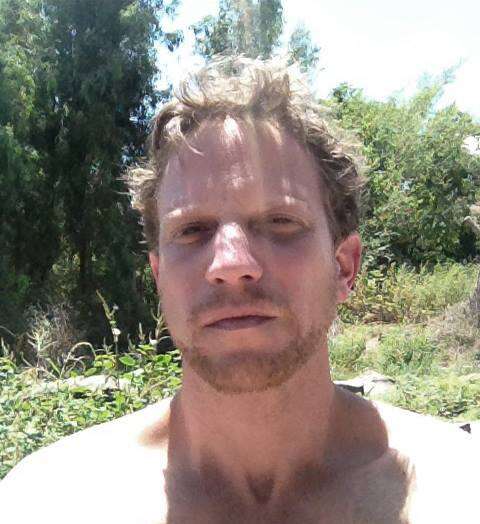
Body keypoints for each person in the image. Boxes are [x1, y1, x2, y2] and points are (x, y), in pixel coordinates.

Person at [1, 57, 477, 524]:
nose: (231, 264)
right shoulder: (49, 501)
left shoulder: (459, 487)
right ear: (159, 276)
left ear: (344, 267)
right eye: (192, 230)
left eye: (280, 222)